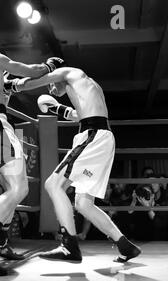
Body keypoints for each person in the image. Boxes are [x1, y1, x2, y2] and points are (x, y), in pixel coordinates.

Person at [0, 27, 61, 275]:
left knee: (10, 190)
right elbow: (30, 71)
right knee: (20, 189)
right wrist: (49, 66)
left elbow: (10, 87)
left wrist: (11, 86)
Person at [27, 66, 141, 263]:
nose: (51, 90)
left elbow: (39, 79)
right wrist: (57, 109)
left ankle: (69, 246)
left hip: (93, 137)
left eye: (51, 84)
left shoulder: (72, 74)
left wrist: (13, 85)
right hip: (99, 137)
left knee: (53, 185)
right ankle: (125, 246)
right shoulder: (84, 89)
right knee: (83, 204)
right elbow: (78, 115)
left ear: (55, 75)